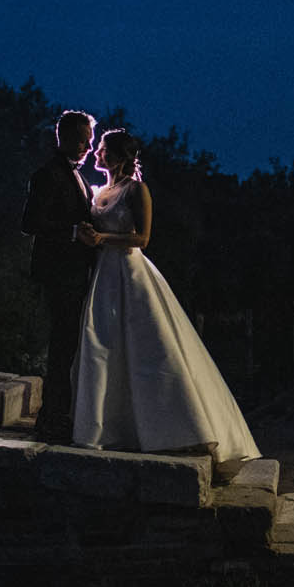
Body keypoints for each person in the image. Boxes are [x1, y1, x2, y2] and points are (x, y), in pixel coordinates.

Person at [72, 129, 259, 467]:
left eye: (101, 148)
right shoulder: (100, 191)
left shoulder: (136, 190)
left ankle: (173, 426)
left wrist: (101, 238)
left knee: (147, 347)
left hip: (129, 272)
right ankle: (108, 425)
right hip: (103, 274)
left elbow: (141, 238)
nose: (96, 152)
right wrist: (87, 236)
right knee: (103, 344)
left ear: (115, 155)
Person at [21, 110, 96, 442]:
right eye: (82, 140)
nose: (88, 147)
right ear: (63, 137)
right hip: (58, 274)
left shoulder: (77, 175)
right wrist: (73, 231)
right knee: (61, 346)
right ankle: (51, 417)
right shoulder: (47, 175)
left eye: (90, 140)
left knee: (68, 346)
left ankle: (59, 413)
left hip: (76, 273)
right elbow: (30, 223)